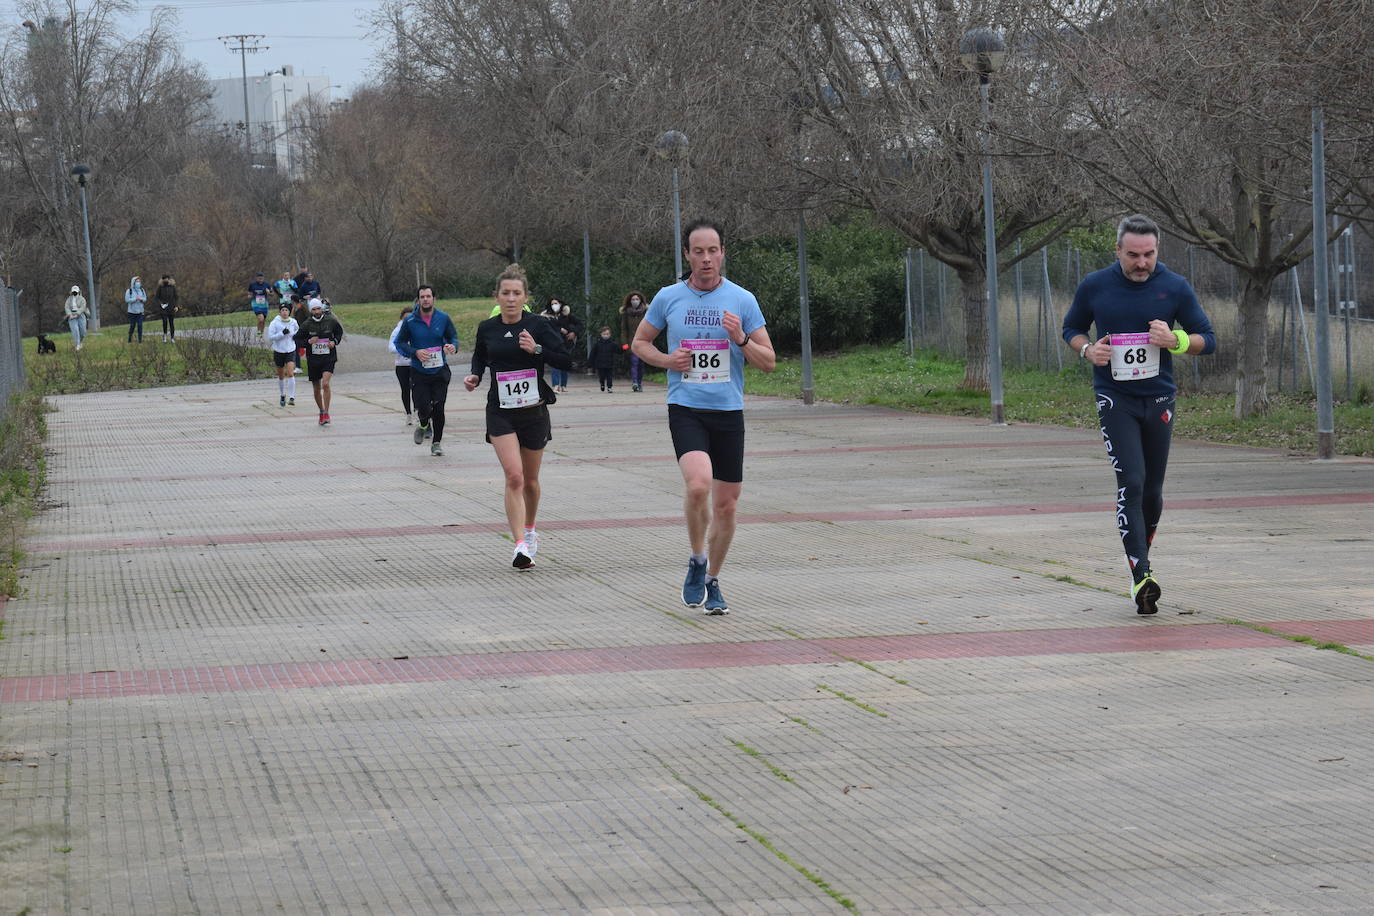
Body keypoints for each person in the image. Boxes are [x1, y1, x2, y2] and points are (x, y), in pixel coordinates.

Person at [1062, 213, 1217, 616]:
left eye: (1148, 254)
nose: (1141, 263)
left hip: (1159, 400)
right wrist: (1087, 350)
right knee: (1131, 480)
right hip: (1115, 398)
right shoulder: (1095, 285)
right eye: (1133, 255)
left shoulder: (1174, 287)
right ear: (1118, 250)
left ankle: (1139, 570)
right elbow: (1071, 328)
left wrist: (1176, 340)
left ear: (1157, 251)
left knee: (1152, 492)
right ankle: (1142, 575)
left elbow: (1209, 339)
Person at [631, 218, 776, 615]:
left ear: (723, 253)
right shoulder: (668, 297)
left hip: (728, 411)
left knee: (727, 505)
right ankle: (697, 559)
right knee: (698, 487)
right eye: (699, 251)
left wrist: (741, 339)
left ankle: (713, 578)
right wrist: (666, 360)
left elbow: (769, 362)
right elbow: (641, 342)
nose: (706, 258)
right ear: (687, 255)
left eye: (713, 250)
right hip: (687, 407)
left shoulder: (742, 300)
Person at [464, 264, 571, 569]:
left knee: (531, 481)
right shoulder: (488, 328)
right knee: (514, 477)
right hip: (500, 411)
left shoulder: (538, 325)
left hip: (533, 411)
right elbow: (480, 355)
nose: (510, 298)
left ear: (525, 296)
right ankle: (520, 547)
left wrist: (536, 349)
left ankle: (530, 529)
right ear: (496, 296)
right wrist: (474, 375)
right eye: (505, 293)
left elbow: (565, 359)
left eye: (516, 293)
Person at [394, 285, 459, 457]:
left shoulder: (443, 318)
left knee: (439, 408)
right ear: (418, 300)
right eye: (422, 297)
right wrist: (414, 351)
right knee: (423, 407)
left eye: (428, 296)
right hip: (419, 371)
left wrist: (453, 346)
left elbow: (453, 337)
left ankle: (436, 443)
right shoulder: (410, 321)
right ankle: (423, 424)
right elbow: (399, 343)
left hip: (439, 371)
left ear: (433, 298)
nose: (425, 299)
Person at [293, 297, 345, 425]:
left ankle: (326, 413)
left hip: (328, 357)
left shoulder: (330, 320)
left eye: (318, 309)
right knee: (316, 388)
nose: (317, 311)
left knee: (325, 384)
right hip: (313, 359)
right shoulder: (307, 324)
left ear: (322, 309)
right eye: (314, 309)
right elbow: (297, 339)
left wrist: (334, 342)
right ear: (311, 311)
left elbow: (339, 332)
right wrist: (308, 342)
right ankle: (321, 411)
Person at [266, 303, 299, 406]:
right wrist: (282, 333)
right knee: (281, 375)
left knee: (290, 373)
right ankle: (282, 394)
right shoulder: (275, 323)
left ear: (290, 312)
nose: (285, 312)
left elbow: (297, 331)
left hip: (290, 350)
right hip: (279, 351)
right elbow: (270, 337)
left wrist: (295, 336)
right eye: (283, 310)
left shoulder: (293, 322)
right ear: (280, 312)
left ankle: (292, 397)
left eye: (286, 310)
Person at [546, 297, 581, 392]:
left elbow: (579, 324)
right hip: (553, 343)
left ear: (561, 304)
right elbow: (547, 327)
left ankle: (563, 385)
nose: (554, 305)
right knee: (555, 363)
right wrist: (559, 329)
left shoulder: (567, 315)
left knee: (564, 363)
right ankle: (555, 385)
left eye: (556, 303)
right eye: (552, 304)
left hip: (566, 343)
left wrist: (574, 333)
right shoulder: (547, 316)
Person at [388, 306, 415, 426]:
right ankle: (408, 414)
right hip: (401, 365)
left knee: (417, 388)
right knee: (405, 389)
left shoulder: (417, 330)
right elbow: (391, 348)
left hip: (415, 365)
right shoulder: (397, 331)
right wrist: (404, 349)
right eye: (405, 318)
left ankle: (418, 411)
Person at [619, 290, 648, 391]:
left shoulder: (646, 312)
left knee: (641, 364)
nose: (635, 301)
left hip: (644, 343)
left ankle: (639, 383)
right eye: (633, 299)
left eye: (637, 299)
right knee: (634, 362)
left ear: (640, 300)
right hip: (632, 343)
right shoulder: (626, 313)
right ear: (629, 301)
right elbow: (623, 329)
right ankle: (634, 382)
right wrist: (624, 344)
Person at [588, 325, 620, 393]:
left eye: (607, 334)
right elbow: (592, 353)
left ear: (610, 334)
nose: (606, 335)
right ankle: (602, 384)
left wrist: (625, 347)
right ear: (601, 334)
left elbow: (618, 350)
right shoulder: (597, 344)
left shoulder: (612, 344)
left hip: (609, 363)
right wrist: (590, 363)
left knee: (609, 376)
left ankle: (609, 387)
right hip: (600, 364)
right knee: (602, 376)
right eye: (604, 334)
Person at [63, 285, 90, 351]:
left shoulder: (82, 299)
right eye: (73, 292)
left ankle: (79, 343)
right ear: (71, 292)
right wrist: (70, 315)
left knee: (83, 332)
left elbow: (83, 307)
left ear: (78, 292)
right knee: (75, 330)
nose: (74, 293)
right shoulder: (69, 300)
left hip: (81, 315)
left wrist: (77, 314)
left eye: (76, 292)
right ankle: (77, 345)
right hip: (71, 316)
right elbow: (67, 307)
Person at [249, 272, 274, 337]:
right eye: (259, 278)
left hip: (264, 304)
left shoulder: (267, 284)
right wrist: (249, 295)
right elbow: (249, 292)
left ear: (263, 278)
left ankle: (261, 334)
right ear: (256, 278)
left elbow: (272, 294)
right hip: (255, 303)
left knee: (263, 320)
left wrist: (269, 293)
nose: (260, 279)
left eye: (261, 278)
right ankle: (258, 331)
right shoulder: (252, 284)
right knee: (261, 318)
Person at [154, 275, 178, 342]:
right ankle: (164, 336)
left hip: (171, 307)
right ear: (162, 280)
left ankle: (172, 337)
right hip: (163, 308)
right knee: (164, 322)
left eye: (167, 279)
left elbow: (176, 297)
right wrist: (160, 304)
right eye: (164, 279)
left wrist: (176, 306)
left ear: (169, 279)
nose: (165, 280)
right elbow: (156, 298)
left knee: (171, 323)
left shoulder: (172, 287)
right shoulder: (160, 287)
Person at [124, 276, 147, 342]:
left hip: (140, 311)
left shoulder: (142, 290)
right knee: (132, 325)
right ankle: (130, 338)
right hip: (132, 312)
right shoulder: (129, 291)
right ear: (133, 283)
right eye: (137, 282)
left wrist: (141, 299)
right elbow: (127, 300)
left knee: (140, 325)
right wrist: (135, 299)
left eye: (139, 281)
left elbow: (145, 299)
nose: (138, 283)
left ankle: (140, 340)